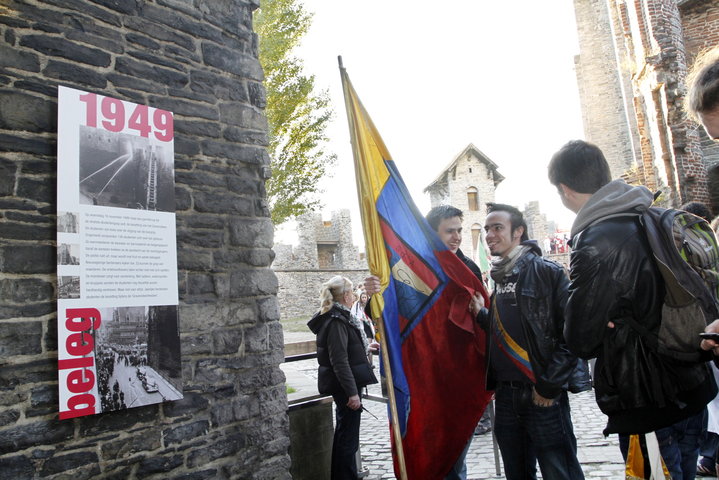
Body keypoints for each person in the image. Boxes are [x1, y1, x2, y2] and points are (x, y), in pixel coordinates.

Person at [548, 139, 717, 479]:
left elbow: (580, 337)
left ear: (564, 190)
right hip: (692, 384)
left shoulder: (596, 240)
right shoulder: (650, 214)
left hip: (648, 400)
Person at [364, 204, 484, 480]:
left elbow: (483, 322)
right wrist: (375, 294)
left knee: (454, 457)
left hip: (459, 378)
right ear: (432, 233)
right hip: (423, 379)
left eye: (459, 230)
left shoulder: (469, 269)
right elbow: (386, 314)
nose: (457, 237)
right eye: (449, 231)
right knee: (428, 455)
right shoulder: (410, 268)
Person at [469, 202, 584, 480]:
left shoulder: (547, 272)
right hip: (507, 397)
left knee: (559, 472)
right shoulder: (501, 275)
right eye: (487, 229)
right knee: (517, 473)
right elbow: (517, 327)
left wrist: (548, 386)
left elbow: (572, 334)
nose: (489, 235)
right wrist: (482, 315)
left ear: (518, 231)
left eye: (498, 228)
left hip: (541, 393)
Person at [307, 276, 379, 479]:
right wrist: (352, 393)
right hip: (346, 388)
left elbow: (346, 349)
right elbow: (339, 361)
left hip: (346, 386)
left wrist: (366, 347)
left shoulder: (338, 316)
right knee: (347, 440)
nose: (355, 296)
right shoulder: (337, 320)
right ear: (346, 295)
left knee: (344, 436)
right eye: (352, 292)